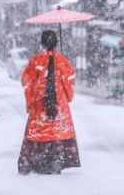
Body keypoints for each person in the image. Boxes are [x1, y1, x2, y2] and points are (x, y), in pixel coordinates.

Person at [18, 30, 80, 174]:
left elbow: (27, 82)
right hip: (59, 106)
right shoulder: (62, 61)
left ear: (42, 43)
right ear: (56, 43)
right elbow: (69, 83)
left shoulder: (36, 61)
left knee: (41, 131)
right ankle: (55, 160)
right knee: (57, 132)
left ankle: (40, 161)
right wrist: (68, 97)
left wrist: (31, 101)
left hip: (41, 104)